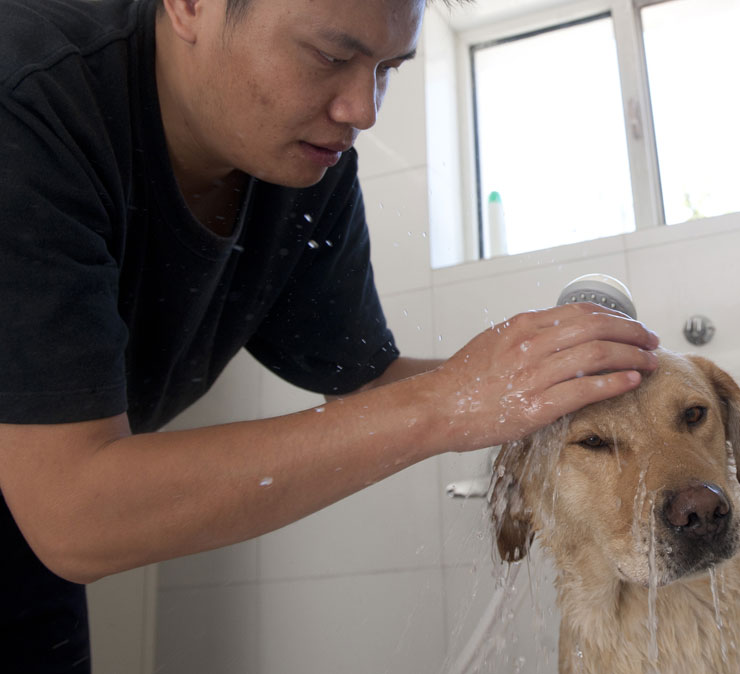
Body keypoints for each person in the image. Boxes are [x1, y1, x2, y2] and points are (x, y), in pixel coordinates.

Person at [0, 0, 661, 670]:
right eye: (330, 56)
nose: (363, 111)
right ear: (191, 6)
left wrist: (550, 387)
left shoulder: (304, 165)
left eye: (387, 69)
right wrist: (448, 404)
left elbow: (367, 380)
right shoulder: (28, 98)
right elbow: (74, 513)